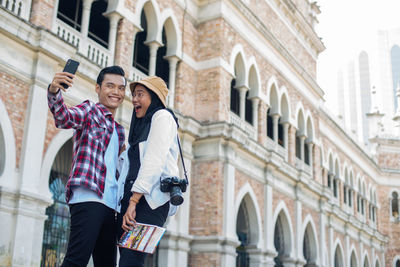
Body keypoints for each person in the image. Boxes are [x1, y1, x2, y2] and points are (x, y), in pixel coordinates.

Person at [47, 65, 126, 267]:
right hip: (89, 196)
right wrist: (54, 91)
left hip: (111, 207)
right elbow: (64, 117)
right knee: (76, 261)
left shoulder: (119, 130)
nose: (116, 92)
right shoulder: (90, 110)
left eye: (120, 88)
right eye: (110, 86)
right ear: (98, 88)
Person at [116, 76, 180, 267]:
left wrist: (133, 201)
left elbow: (154, 161)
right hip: (131, 201)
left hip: (148, 203)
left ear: (154, 97)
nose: (134, 99)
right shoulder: (141, 126)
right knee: (128, 261)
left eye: (140, 94)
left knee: (131, 262)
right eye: (134, 95)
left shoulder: (162, 117)